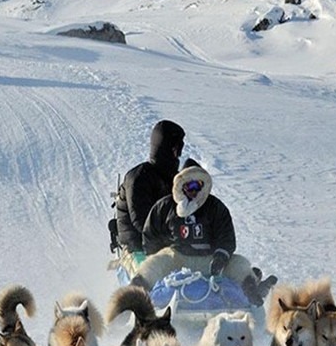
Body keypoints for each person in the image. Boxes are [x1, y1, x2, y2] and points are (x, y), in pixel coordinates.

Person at [130, 162, 277, 306]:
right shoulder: (165, 207)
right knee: (153, 264)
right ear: (181, 187)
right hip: (177, 258)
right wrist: (158, 254)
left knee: (239, 263)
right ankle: (133, 297)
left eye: (197, 186)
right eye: (189, 186)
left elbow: (226, 236)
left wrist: (221, 256)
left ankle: (252, 292)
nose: (194, 191)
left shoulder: (215, 207)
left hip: (210, 259)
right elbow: (151, 235)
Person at [114, 120, 185, 276]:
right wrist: (172, 237)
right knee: (152, 279)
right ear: (166, 148)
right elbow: (141, 221)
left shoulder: (175, 178)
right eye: (175, 149)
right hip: (137, 246)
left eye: (179, 149)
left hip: (167, 245)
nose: (178, 154)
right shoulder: (139, 177)